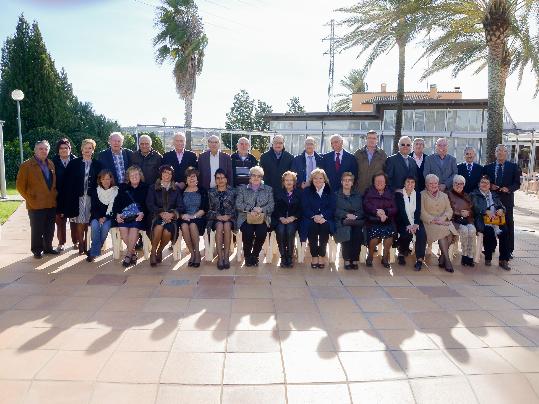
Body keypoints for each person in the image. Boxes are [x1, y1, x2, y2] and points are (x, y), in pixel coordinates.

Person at [16, 140, 58, 259]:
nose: (44, 151)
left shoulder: (50, 163)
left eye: (46, 149)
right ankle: (37, 250)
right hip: (35, 205)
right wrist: (30, 199)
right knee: (37, 229)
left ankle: (48, 248)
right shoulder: (26, 165)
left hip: (50, 203)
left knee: (50, 228)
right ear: (35, 150)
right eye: (41, 149)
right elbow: (20, 186)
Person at [60, 139, 102, 255]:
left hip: (91, 198)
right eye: (85, 148)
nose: (87, 150)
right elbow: (67, 182)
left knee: (89, 221)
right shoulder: (74, 163)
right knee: (80, 221)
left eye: (90, 148)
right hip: (77, 197)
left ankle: (87, 243)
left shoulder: (98, 164)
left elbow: (101, 182)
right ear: (81, 149)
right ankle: (81, 244)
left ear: (93, 150)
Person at [482, 144, 521, 259]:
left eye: (503, 151)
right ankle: (490, 247)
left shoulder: (513, 167)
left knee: (508, 224)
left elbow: (517, 183)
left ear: (506, 153)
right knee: (490, 222)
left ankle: (508, 250)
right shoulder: (488, 167)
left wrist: (508, 189)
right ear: (495, 153)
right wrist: (490, 185)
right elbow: (484, 181)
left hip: (506, 200)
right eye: (498, 151)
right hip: (491, 200)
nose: (500, 153)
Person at [145, 165, 184, 266]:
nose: (167, 175)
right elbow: (150, 204)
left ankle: (160, 250)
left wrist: (171, 214)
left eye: (170, 173)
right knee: (158, 228)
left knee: (167, 232)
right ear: (161, 174)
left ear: (172, 176)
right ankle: (153, 253)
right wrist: (161, 213)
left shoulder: (176, 189)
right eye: (165, 172)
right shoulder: (153, 187)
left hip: (171, 218)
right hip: (156, 216)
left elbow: (181, 206)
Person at [236, 166, 274, 267]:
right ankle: (248, 256)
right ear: (250, 177)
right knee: (247, 232)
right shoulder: (242, 189)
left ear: (262, 178)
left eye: (259, 176)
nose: (256, 178)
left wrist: (261, 210)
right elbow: (238, 204)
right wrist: (251, 209)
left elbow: (271, 205)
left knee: (261, 233)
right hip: (245, 217)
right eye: (253, 175)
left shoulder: (268, 189)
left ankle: (255, 255)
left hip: (262, 218)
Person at [470, 175, 511, 270]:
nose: (485, 184)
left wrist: (501, 210)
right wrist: (485, 211)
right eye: (482, 182)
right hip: (482, 220)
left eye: (487, 183)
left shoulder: (495, 195)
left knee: (505, 232)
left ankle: (503, 260)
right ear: (479, 184)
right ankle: (488, 257)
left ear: (490, 185)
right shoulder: (474, 194)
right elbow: (475, 207)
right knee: (489, 232)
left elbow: (502, 206)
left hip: (496, 221)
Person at [421, 174, 459, 273]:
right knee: (443, 235)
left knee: (450, 235)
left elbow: (449, 210)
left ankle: (442, 257)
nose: (434, 185)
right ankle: (447, 260)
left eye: (435, 183)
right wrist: (435, 220)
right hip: (429, 223)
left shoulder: (444, 195)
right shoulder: (422, 195)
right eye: (431, 183)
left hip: (444, 221)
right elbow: (422, 212)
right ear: (426, 184)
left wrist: (443, 219)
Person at [112, 166, 149, 267]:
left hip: (140, 216)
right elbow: (116, 204)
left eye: (136, 174)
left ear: (140, 176)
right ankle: (133, 252)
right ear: (128, 177)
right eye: (131, 175)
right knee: (123, 230)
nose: (134, 177)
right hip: (125, 216)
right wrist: (117, 214)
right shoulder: (123, 187)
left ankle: (128, 255)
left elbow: (148, 204)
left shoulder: (146, 187)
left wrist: (143, 213)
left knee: (134, 228)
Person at [300, 168, 336, 269]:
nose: (318, 180)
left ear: (324, 179)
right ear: (312, 180)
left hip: (326, 218)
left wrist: (322, 216)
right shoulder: (307, 191)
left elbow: (332, 208)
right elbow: (304, 207)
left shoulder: (330, 191)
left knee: (325, 227)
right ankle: (314, 256)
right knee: (312, 227)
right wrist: (314, 216)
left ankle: (322, 255)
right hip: (310, 218)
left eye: (320, 178)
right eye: (315, 178)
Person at [363, 173, 397, 268]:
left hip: (387, 219)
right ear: (373, 182)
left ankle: (385, 258)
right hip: (373, 219)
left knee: (389, 236)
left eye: (382, 181)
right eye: (377, 181)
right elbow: (366, 205)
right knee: (374, 236)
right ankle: (370, 256)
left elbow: (394, 208)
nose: (379, 183)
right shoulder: (369, 191)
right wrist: (377, 212)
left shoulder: (390, 192)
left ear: (385, 183)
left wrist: (385, 212)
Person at [207, 169, 237, 270]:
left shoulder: (233, 191)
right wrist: (217, 216)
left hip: (230, 218)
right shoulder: (210, 192)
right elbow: (208, 209)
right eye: (218, 178)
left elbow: (236, 208)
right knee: (219, 225)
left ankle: (226, 257)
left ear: (226, 179)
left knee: (227, 225)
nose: (220, 180)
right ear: (215, 180)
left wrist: (229, 216)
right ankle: (220, 257)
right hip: (215, 219)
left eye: (223, 178)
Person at [395, 176, 427, 271]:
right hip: (402, 221)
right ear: (404, 183)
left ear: (415, 184)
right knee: (407, 233)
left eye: (412, 182)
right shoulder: (399, 194)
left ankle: (420, 260)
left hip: (415, 220)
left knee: (421, 233)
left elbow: (417, 210)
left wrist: (416, 224)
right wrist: (408, 224)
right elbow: (402, 211)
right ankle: (401, 252)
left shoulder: (417, 194)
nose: (410, 184)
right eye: (408, 182)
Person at [334, 172, 364, 270]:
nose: (347, 182)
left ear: (352, 183)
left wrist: (355, 216)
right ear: (341, 182)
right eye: (345, 180)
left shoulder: (358, 195)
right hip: (342, 221)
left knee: (357, 234)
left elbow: (361, 210)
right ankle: (347, 259)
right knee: (346, 232)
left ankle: (354, 259)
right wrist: (345, 215)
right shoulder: (336, 195)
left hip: (356, 221)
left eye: (349, 180)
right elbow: (335, 210)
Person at [179, 167, 209, 268]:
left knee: (192, 224)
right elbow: (178, 207)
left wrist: (194, 216)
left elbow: (204, 208)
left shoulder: (202, 190)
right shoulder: (182, 191)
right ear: (186, 180)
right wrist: (183, 215)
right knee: (183, 226)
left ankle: (197, 253)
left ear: (197, 179)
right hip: (185, 217)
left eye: (193, 176)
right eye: (189, 177)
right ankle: (192, 253)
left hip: (199, 217)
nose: (191, 179)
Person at [51, 138, 77, 251]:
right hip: (59, 197)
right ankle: (61, 243)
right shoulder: (53, 162)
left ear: (70, 149)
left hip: (73, 197)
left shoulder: (76, 161)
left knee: (74, 222)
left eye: (66, 148)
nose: (64, 150)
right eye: (61, 148)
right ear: (58, 150)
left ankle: (76, 242)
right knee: (60, 222)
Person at [271, 171, 302, 268]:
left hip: (294, 219)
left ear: (294, 182)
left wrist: (293, 217)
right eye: (286, 180)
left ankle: (290, 257)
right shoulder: (277, 193)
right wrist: (281, 217)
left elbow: (302, 209)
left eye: (291, 180)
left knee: (289, 230)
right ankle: (283, 257)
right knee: (280, 230)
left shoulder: (299, 193)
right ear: (283, 182)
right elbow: (274, 208)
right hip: (280, 219)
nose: (289, 182)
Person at [87, 170, 118, 262]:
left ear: (111, 179)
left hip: (110, 217)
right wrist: (99, 218)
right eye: (103, 179)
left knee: (105, 227)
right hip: (96, 216)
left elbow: (115, 208)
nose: (106, 181)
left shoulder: (115, 191)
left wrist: (106, 217)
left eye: (108, 179)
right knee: (95, 225)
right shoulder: (96, 191)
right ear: (100, 180)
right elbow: (93, 208)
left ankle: (93, 252)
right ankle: (95, 250)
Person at [447, 175, 476, 267]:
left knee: (472, 230)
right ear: (453, 184)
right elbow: (446, 209)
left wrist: (468, 213)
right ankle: (464, 256)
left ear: (464, 185)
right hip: (454, 220)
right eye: (456, 183)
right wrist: (459, 213)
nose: (458, 185)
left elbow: (472, 209)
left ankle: (470, 256)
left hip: (467, 220)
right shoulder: (448, 194)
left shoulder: (466, 195)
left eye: (461, 184)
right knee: (464, 230)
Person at [355, 130, 387, 195]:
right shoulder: (358, 153)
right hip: (359, 191)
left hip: (376, 191)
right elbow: (353, 171)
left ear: (377, 140)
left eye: (374, 138)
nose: (371, 140)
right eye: (369, 138)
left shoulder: (382, 154)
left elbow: (385, 172)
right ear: (366, 139)